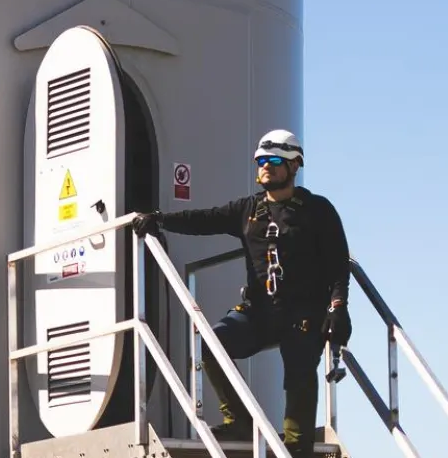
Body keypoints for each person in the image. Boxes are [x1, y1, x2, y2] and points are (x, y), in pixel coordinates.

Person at [136, 129, 351, 456]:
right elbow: (203, 219)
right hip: (259, 312)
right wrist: (158, 220)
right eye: (261, 161)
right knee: (210, 344)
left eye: (274, 160)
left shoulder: (317, 210)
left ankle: (296, 448)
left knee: (299, 379)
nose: (265, 166)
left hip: (303, 315)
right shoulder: (248, 210)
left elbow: (338, 264)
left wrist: (338, 307)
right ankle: (239, 420)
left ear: (294, 166)